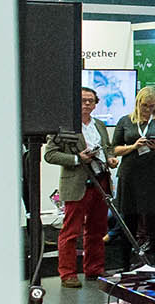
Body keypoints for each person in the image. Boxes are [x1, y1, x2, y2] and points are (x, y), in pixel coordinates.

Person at [46, 87, 117, 287]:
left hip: (100, 181)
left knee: (98, 228)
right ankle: (68, 274)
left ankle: (95, 269)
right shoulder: (65, 127)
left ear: (95, 104)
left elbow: (108, 147)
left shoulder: (99, 125)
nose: (87, 104)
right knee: (71, 231)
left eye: (90, 101)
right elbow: (50, 154)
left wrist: (110, 157)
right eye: (83, 100)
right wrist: (77, 159)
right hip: (77, 183)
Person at [112, 85, 155, 263]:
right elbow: (114, 149)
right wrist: (133, 146)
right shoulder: (125, 121)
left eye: (152, 105)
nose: (148, 109)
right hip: (131, 174)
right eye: (145, 105)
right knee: (130, 217)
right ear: (138, 103)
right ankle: (125, 262)